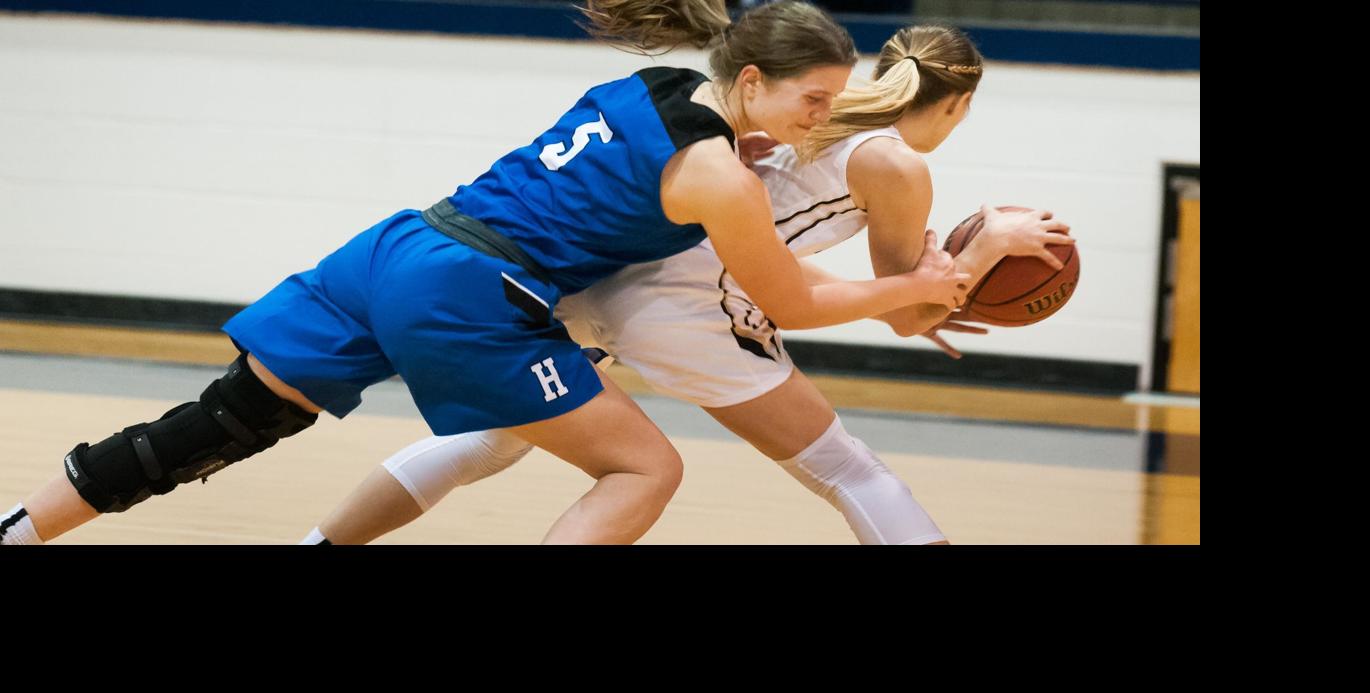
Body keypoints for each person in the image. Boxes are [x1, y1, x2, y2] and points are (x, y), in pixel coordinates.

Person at [0, 0, 970, 547]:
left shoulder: (646, 85)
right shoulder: (718, 175)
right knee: (645, 467)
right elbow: (789, 299)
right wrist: (917, 288)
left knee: (216, 425)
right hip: (475, 294)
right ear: (752, 83)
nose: (825, 118)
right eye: (815, 100)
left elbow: (633, 171)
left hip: (398, 247)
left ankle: (18, 528)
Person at [305, 23, 1072, 546]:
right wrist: (986, 252)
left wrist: (933, 286)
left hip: (611, 271)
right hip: (689, 304)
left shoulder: (802, 107)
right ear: (957, 104)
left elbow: (797, 255)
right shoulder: (898, 163)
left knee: (489, 439)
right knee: (846, 467)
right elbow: (905, 311)